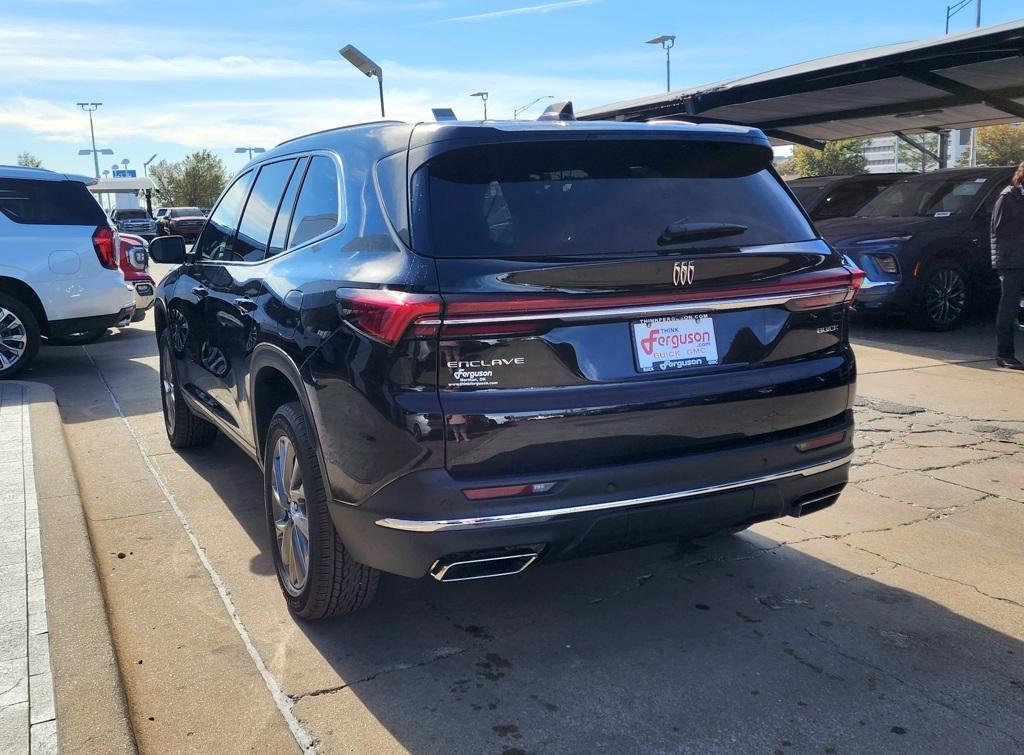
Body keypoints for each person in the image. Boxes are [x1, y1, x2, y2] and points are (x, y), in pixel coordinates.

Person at [990, 161, 1024, 370]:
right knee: (1008, 307)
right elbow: (999, 229)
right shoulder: (1007, 198)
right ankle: (1004, 354)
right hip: (1011, 260)